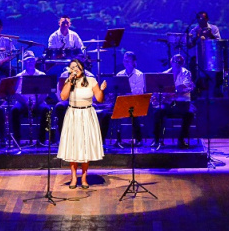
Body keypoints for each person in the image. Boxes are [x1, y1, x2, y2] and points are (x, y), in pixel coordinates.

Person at [57, 59, 106, 189]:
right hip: (73, 114)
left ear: (82, 68)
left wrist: (101, 90)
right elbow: (63, 97)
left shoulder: (91, 81)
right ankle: (73, 177)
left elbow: (99, 99)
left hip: (87, 114)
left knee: (85, 146)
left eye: (77, 67)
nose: (75, 69)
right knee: (73, 146)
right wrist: (69, 81)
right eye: (72, 67)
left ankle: (84, 177)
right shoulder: (69, 81)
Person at [98, 51, 144, 146]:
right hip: (121, 103)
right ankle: (102, 141)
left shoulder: (139, 75)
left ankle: (138, 139)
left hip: (134, 103)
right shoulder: (120, 74)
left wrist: (126, 92)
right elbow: (115, 89)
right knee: (105, 114)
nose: (125, 62)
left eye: (128, 60)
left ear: (134, 62)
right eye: (124, 60)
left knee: (134, 114)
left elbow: (139, 91)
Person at [151, 54, 195, 149]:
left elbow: (185, 86)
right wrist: (160, 94)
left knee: (190, 114)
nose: (177, 63)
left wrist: (170, 92)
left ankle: (181, 140)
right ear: (171, 62)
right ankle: (157, 139)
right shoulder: (164, 74)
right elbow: (160, 90)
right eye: (175, 61)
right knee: (157, 113)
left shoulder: (186, 73)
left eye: (180, 62)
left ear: (183, 63)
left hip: (182, 104)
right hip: (168, 104)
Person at [12, 51, 51, 145]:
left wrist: (36, 103)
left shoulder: (41, 75)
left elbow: (45, 93)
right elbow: (16, 94)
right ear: (24, 63)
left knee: (46, 110)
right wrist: (26, 103)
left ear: (35, 62)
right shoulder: (19, 76)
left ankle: (42, 139)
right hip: (23, 102)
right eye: (27, 61)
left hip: (38, 102)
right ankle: (17, 140)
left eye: (32, 60)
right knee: (14, 110)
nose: (30, 63)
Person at [188, 11, 224, 97]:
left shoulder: (214, 28)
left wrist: (210, 34)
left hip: (212, 55)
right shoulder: (194, 30)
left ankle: (217, 88)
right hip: (198, 55)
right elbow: (190, 46)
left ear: (207, 19)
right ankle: (195, 88)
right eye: (198, 18)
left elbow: (218, 42)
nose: (200, 20)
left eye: (202, 18)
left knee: (220, 64)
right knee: (192, 63)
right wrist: (197, 36)